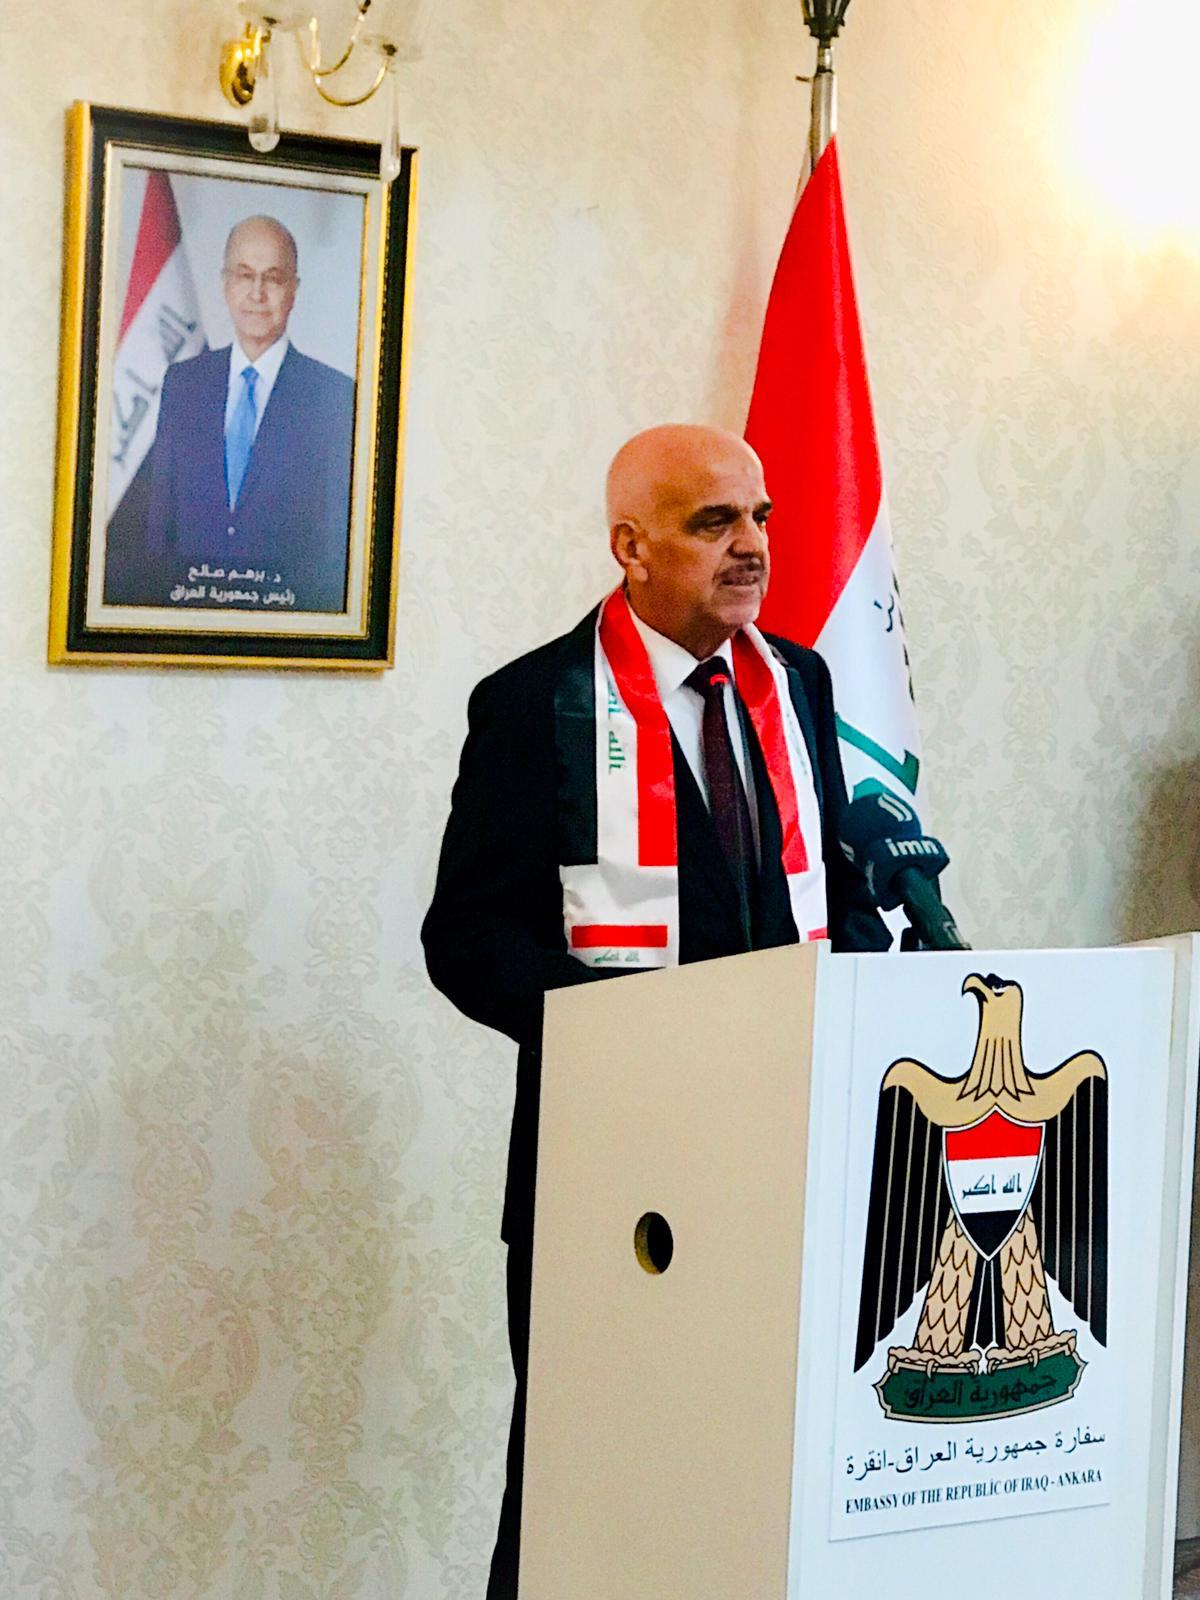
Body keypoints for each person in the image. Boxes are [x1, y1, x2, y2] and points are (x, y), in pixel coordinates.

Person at [421, 423, 890, 1598]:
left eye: (762, 516)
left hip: (789, 1152)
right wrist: (627, 1035)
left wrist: (870, 972)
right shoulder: (535, 705)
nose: (752, 545)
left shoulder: (801, 683)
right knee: (587, 1486)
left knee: (765, 1481)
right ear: (629, 547)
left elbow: (831, 892)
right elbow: (467, 938)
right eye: (713, 521)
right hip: (611, 1168)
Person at [116, 214, 355, 612]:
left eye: (273, 278)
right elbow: (161, 525)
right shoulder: (183, 384)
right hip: (188, 612)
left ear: (294, 290)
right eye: (244, 275)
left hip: (287, 616)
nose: (257, 293)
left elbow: (334, 543)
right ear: (225, 284)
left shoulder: (335, 397)